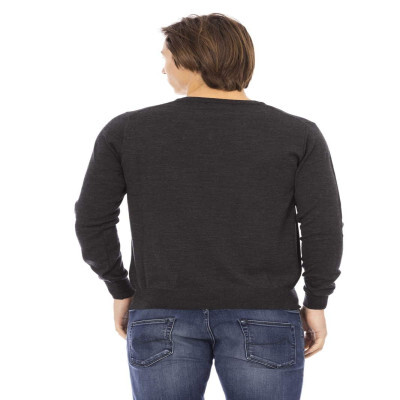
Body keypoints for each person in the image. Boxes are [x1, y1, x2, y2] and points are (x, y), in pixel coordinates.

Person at [74, 12, 344, 400]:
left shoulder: (127, 131)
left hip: (160, 313)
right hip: (266, 315)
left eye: (166, 57)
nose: (163, 68)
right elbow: (322, 227)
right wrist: (316, 302)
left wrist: (121, 289)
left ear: (191, 60)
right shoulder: (297, 134)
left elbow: (92, 220)